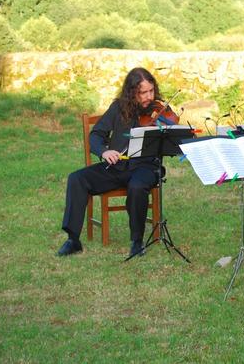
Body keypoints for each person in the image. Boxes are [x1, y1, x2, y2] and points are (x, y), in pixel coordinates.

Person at [57, 67, 176, 258]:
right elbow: (95, 135)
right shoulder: (118, 108)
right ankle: (73, 240)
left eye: (151, 91)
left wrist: (167, 127)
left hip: (146, 168)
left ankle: (136, 242)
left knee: (137, 187)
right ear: (131, 92)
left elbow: (173, 137)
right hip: (118, 166)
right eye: (142, 92)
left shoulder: (159, 110)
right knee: (77, 179)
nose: (148, 97)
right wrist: (105, 151)